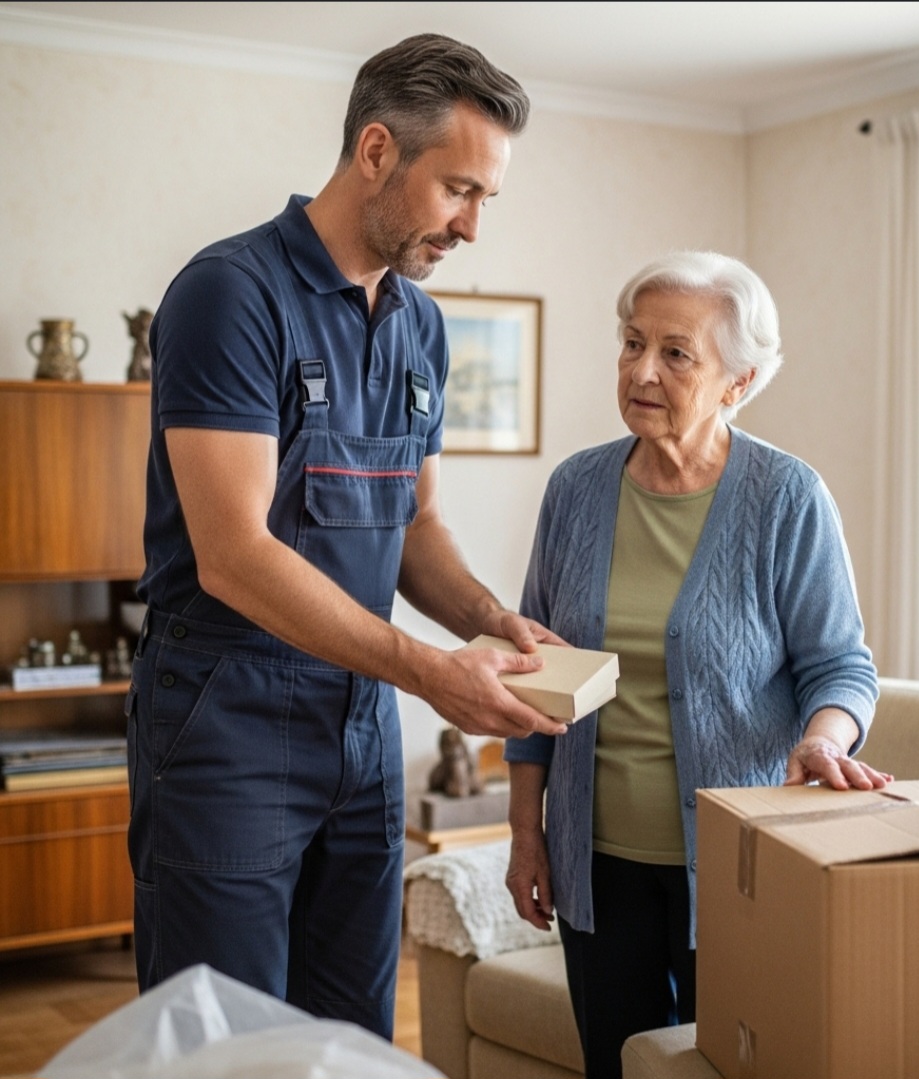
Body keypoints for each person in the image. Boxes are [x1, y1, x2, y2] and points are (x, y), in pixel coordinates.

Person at [127, 33, 569, 1040]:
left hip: (361, 724)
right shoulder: (230, 294)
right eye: (459, 189)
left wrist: (494, 619)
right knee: (221, 1041)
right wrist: (429, 669)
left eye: (485, 199)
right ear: (376, 150)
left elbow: (419, 528)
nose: (471, 224)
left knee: (350, 1037)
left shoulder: (420, 324)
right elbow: (234, 553)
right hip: (225, 718)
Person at [503, 252, 892, 1079]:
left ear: (737, 381)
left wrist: (827, 740)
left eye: (676, 352)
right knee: (618, 1066)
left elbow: (842, 667)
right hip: (596, 867)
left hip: (738, 866)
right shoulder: (575, 490)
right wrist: (525, 831)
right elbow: (533, 673)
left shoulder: (787, 497)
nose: (642, 369)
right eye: (632, 343)